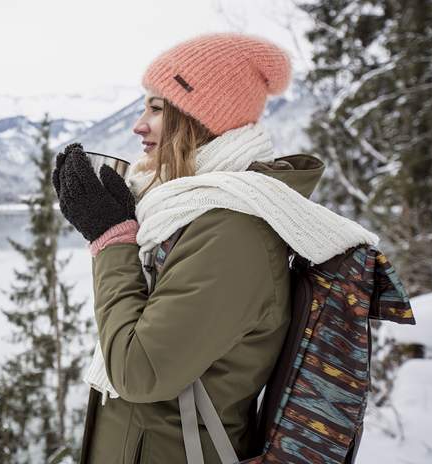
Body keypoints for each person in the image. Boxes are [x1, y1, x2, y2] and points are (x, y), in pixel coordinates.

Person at [52, 32, 378, 463]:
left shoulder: (233, 232)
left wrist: (111, 240)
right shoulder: (187, 211)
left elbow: (139, 370)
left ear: (200, 118)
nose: (138, 125)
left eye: (156, 108)